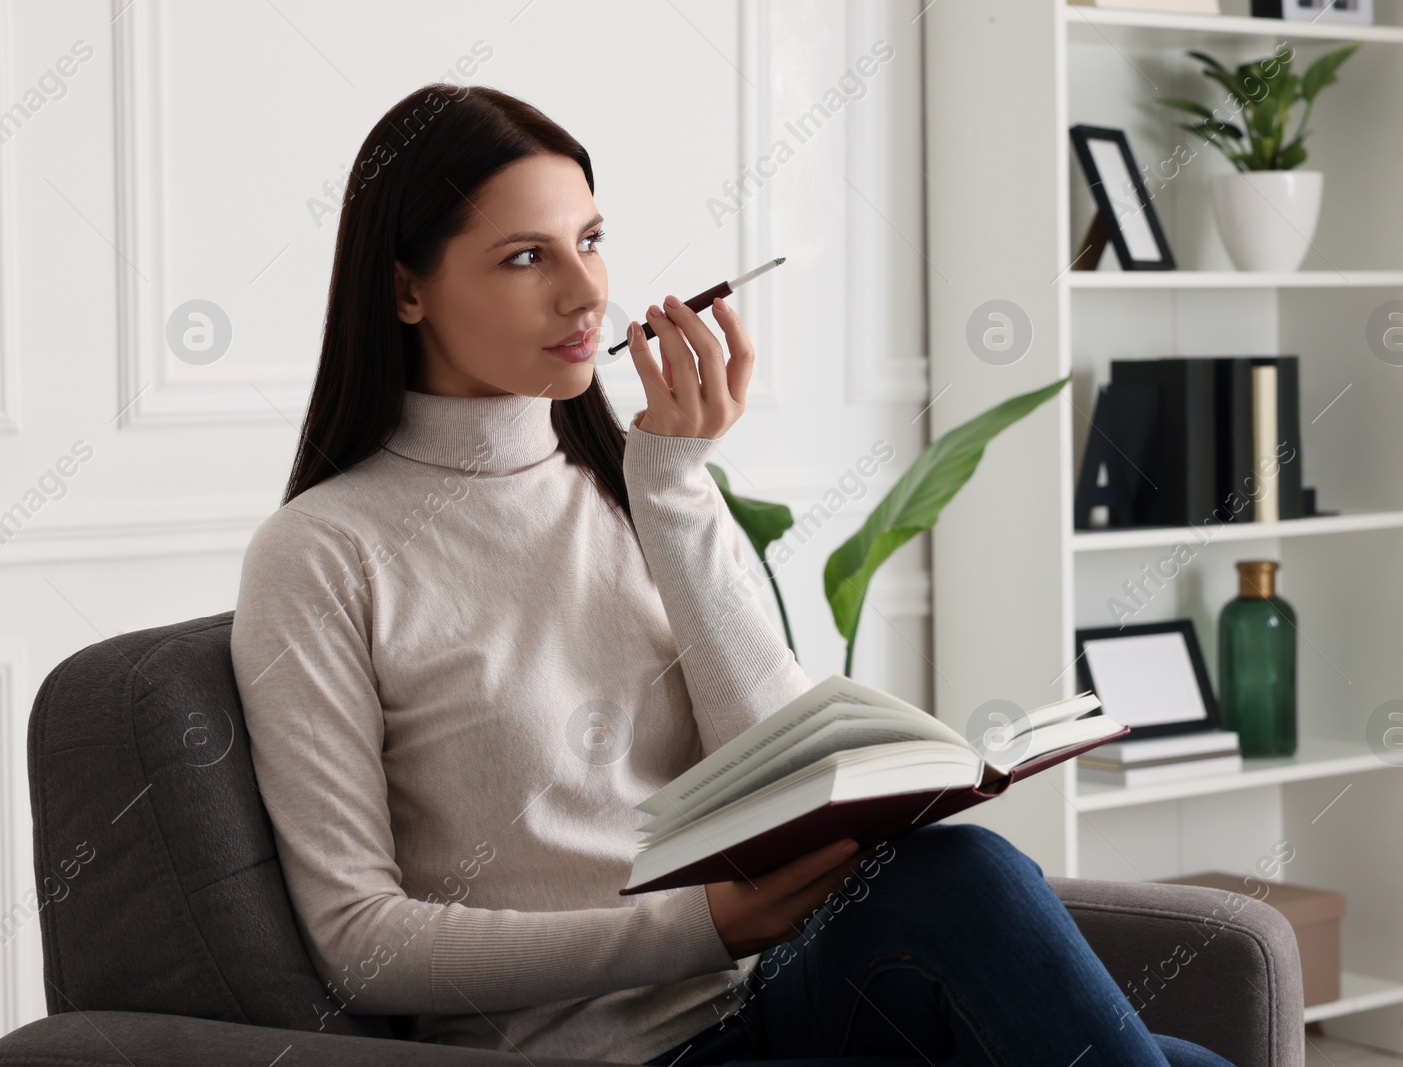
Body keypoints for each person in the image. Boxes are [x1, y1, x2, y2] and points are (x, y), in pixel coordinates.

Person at [231, 82, 1234, 1067]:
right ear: (406, 288)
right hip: (609, 1051)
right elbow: (360, 942)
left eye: (590, 239)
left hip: (761, 1004)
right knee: (982, 893)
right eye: (526, 256)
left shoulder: (638, 486)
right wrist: (704, 924)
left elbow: (782, 765)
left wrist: (672, 487)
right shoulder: (322, 553)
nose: (586, 292)